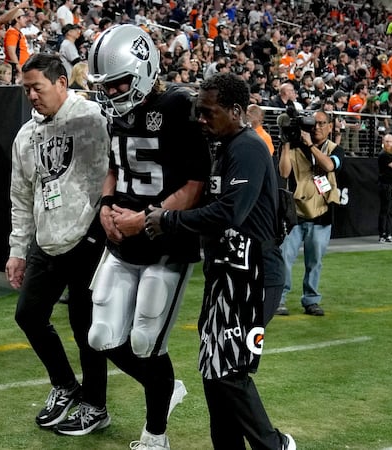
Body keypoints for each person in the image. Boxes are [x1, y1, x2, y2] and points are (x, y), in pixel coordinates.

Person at [144, 72, 295, 450]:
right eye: (199, 112)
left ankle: (275, 445)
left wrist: (168, 220)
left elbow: (231, 211)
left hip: (253, 277)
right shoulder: (226, 148)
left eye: (209, 112)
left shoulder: (248, 147)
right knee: (214, 372)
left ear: (236, 110)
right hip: (227, 275)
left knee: (228, 371)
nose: (202, 119)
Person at [86, 24, 211, 449]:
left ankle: (155, 436)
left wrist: (148, 217)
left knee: (145, 340)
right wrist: (105, 206)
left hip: (165, 242)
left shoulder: (178, 106)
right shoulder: (115, 112)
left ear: (143, 70)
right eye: (105, 86)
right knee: (101, 335)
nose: (112, 94)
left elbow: (196, 182)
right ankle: (167, 387)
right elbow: (114, 167)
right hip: (122, 234)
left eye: (118, 83)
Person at [5, 53, 111, 435]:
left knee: (87, 330)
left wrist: (99, 231)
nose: (31, 95)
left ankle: (96, 406)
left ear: (62, 82)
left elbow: (107, 180)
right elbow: (21, 195)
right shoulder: (25, 135)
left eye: (38, 87)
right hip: (45, 240)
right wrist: (18, 249)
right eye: (26, 89)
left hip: (86, 240)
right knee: (28, 315)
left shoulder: (91, 120)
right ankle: (65, 385)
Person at [276, 109, 344, 316]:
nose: (317, 127)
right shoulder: (294, 146)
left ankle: (311, 300)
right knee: (285, 258)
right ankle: (279, 299)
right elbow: (284, 172)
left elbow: (329, 165)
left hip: (321, 214)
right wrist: (286, 142)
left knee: (315, 261)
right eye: (314, 123)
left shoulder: (335, 149)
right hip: (295, 213)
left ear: (330, 127)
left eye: (322, 123)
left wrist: (311, 146)